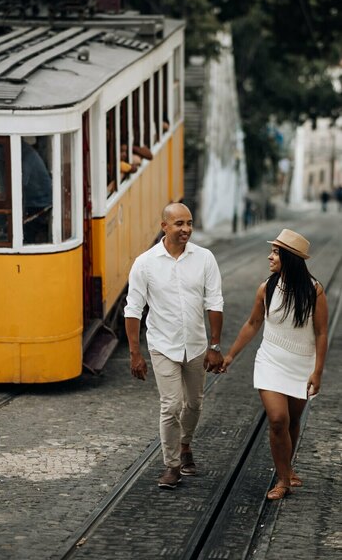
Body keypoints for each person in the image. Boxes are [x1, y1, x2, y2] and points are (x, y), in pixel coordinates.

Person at [220, 229, 328, 500]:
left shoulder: (315, 291)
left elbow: (322, 333)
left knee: (292, 421)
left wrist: (317, 371)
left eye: (276, 252)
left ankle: (287, 469)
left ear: (290, 258)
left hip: (302, 363)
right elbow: (253, 323)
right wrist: (231, 355)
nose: (270, 256)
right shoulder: (266, 287)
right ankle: (283, 480)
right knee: (278, 419)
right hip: (270, 360)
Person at [124, 202, 224, 489]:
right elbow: (133, 309)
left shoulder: (205, 258)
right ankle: (172, 465)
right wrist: (135, 354)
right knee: (171, 405)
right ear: (164, 226)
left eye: (189, 223)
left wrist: (215, 346)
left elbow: (214, 302)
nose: (186, 229)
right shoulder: (145, 262)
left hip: (195, 345)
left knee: (194, 403)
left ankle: (185, 444)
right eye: (179, 224)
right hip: (162, 345)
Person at [21, 139, 52, 243]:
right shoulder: (24, 154)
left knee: (26, 234)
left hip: (41, 204)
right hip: (32, 202)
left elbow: (20, 186)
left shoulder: (27, 156)